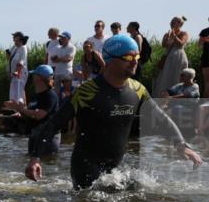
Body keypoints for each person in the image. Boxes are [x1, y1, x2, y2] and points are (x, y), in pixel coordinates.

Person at [25, 34, 202, 189]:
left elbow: (161, 118)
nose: (135, 61)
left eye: (137, 56)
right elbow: (53, 124)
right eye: (128, 56)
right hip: (86, 168)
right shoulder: (87, 92)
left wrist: (181, 145)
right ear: (110, 60)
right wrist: (35, 158)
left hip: (116, 169)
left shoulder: (138, 89)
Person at [6, 65, 60, 157]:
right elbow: (31, 114)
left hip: (48, 138)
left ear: (40, 78)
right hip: (35, 135)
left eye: (34, 75)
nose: (32, 77)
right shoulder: (35, 95)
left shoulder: (50, 96)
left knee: (46, 164)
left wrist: (21, 109)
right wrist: (20, 113)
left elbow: (39, 115)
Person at [154, 16, 190, 97]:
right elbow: (164, 45)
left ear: (180, 24)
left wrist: (174, 36)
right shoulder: (168, 34)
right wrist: (166, 38)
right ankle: (164, 97)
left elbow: (181, 44)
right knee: (166, 76)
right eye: (172, 22)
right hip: (169, 58)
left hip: (179, 57)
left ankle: (177, 96)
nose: (172, 23)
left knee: (177, 76)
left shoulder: (184, 33)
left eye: (174, 22)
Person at [7, 32, 29, 105]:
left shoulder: (23, 48)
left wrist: (17, 72)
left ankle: (20, 111)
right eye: (14, 40)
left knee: (18, 93)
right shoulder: (15, 48)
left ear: (21, 40)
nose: (14, 42)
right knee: (16, 92)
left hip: (20, 73)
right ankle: (19, 110)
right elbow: (9, 58)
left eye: (16, 40)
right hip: (14, 74)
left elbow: (21, 61)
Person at [198, 17, 209, 92]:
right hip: (206, 58)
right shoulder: (204, 31)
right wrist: (203, 40)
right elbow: (199, 46)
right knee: (207, 82)